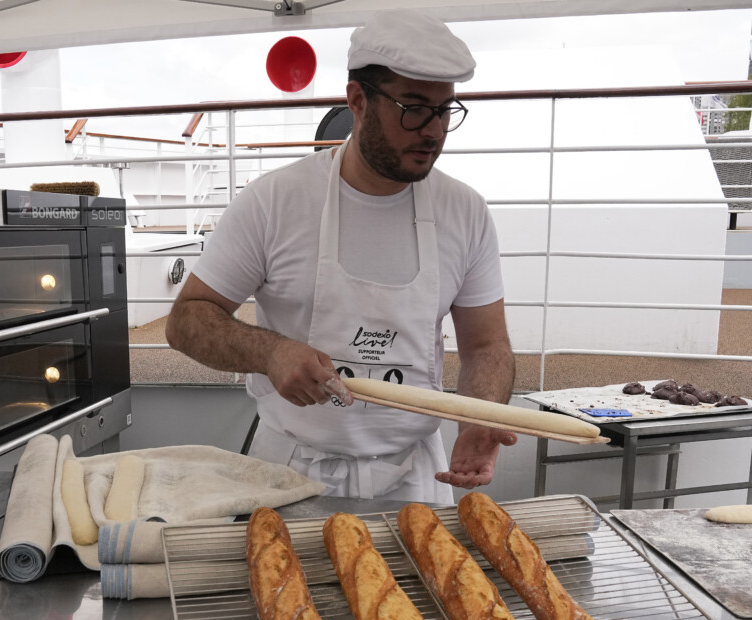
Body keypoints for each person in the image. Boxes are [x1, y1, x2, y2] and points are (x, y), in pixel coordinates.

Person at [166, 10, 515, 504]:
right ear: (357, 101)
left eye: (444, 111)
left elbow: (486, 346)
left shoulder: (466, 212)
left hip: (415, 476)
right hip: (290, 472)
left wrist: (485, 414)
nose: (434, 132)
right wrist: (270, 352)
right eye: (414, 108)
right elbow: (186, 321)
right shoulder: (275, 201)